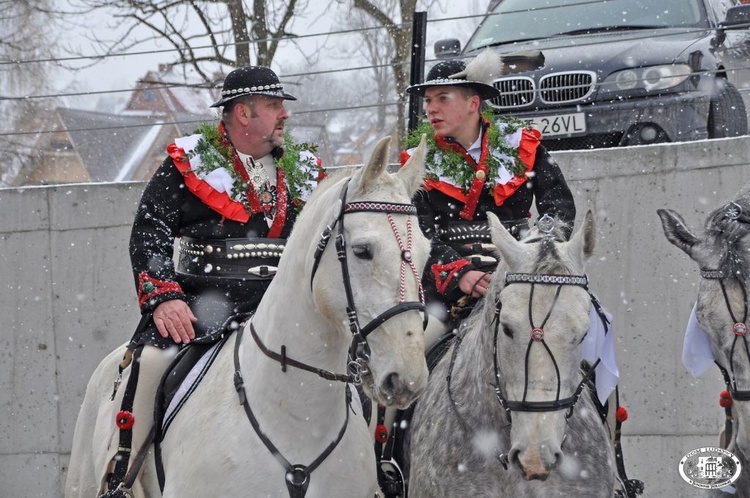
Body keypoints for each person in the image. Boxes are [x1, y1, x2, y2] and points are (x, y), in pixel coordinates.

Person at [103, 66, 323, 495]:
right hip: (202, 308)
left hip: (284, 312)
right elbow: (149, 232)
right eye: (274, 106)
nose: (285, 116)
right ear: (243, 113)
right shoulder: (188, 163)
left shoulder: (304, 169)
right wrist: (165, 297)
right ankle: (120, 475)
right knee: (147, 366)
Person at [401, 56, 576, 328]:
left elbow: (558, 205)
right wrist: (460, 274)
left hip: (521, 275)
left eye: (442, 98)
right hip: (446, 294)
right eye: (427, 100)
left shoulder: (520, 144)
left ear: (473, 103)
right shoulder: (419, 161)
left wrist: (535, 254)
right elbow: (416, 231)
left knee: (584, 329)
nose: (431, 109)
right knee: (417, 352)